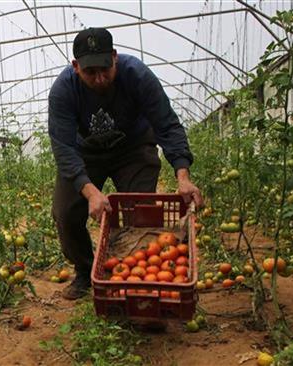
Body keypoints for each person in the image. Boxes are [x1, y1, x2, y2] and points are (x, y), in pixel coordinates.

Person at [48, 28, 204, 300]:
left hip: (133, 149)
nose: (99, 78)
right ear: (75, 67)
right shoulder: (64, 90)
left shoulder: (137, 75)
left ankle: (135, 275)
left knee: (139, 210)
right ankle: (86, 271)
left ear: (115, 58)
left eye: (105, 69)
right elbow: (63, 148)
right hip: (87, 154)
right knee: (65, 212)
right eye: (90, 72)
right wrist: (90, 191)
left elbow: (167, 125)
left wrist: (182, 175)